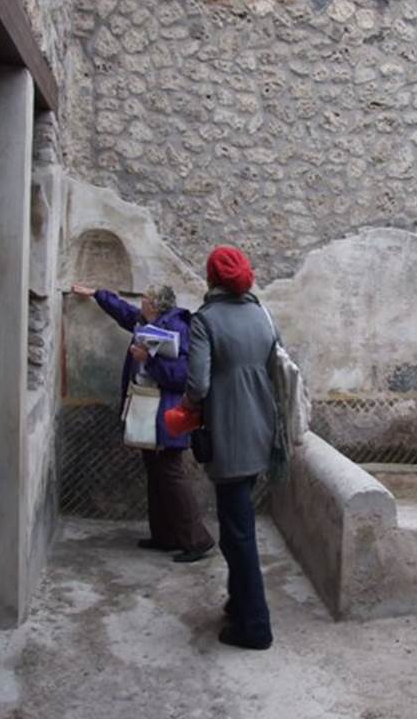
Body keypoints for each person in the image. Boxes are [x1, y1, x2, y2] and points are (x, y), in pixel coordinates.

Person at [72, 282, 215, 563]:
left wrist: (148, 360)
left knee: (171, 475)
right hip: (150, 411)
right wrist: (98, 294)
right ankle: (164, 536)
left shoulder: (177, 328)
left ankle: (198, 540)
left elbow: (181, 376)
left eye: (146, 299)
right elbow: (124, 312)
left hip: (167, 413)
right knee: (156, 473)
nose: (141, 303)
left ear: (156, 305)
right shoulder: (146, 321)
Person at [183, 246, 275, 650]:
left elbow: (198, 385)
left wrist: (186, 406)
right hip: (262, 431)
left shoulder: (206, 321)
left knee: (238, 534)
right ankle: (239, 603)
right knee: (240, 522)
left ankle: (255, 626)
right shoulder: (262, 315)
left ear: (211, 277)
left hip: (229, 435)